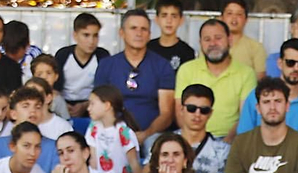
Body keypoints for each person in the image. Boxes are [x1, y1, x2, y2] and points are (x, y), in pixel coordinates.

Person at [94, 9, 176, 146]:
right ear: (122, 33)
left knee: (155, 145)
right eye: (133, 28)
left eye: (144, 29)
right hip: (113, 133)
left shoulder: (162, 66)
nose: (139, 33)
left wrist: (146, 134)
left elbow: (166, 114)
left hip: (151, 135)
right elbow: (99, 108)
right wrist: (119, 135)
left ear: (149, 35)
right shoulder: (106, 65)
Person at [176, 19, 256, 142]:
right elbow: (180, 112)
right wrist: (193, 142)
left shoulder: (246, 73)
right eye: (207, 39)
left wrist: (224, 145)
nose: (213, 43)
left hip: (230, 140)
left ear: (230, 40)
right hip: (191, 140)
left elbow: (245, 117)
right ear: (200, 43)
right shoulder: (187, 70)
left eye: (218, 38)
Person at [239, 37, 298, 142]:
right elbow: (244, 139)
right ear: (280, 63)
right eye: (290, 63)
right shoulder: (256, 96)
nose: (296, 68)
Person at [54, 13, 108, 119]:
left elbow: (105, 89)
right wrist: (63, 105)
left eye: (95, 36)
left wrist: (86, 105)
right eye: (86, 35)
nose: (91, 41)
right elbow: (54, 86)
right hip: (63, 104)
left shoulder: (102, 56)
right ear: (75, 35)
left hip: (93, 104)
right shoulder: (63, 55)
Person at [174, 84, 230, 173]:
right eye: (191, 108)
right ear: (182, 110)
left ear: (210, 113)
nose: (197, 114)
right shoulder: (163, 143)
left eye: (204, 110)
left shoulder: (222, 150)